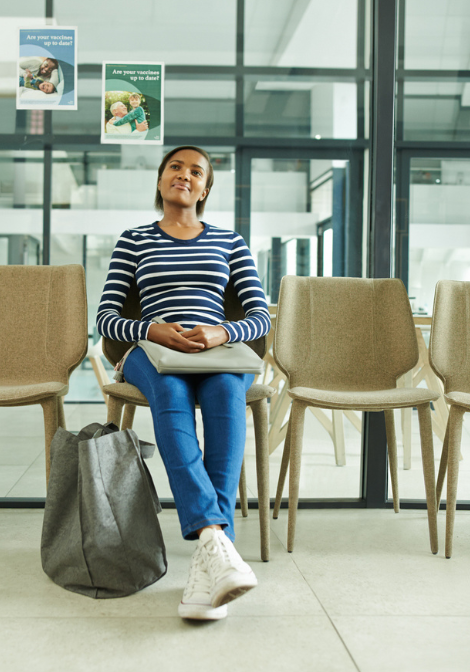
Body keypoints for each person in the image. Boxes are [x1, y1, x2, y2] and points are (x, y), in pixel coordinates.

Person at [96, 146, 269, 621]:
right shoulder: (133, 241)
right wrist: (152, 329)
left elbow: (258, 316)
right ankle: (218, 540)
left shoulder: (230, 241)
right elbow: (106, 318)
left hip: (216, 350)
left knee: (226, 394)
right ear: (160, 181)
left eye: (197, 172)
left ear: (205, 189)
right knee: (171, 396)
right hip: (151, 351)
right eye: (176, 167)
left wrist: (222, 331)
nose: (185, 175)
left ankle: (209, 560)